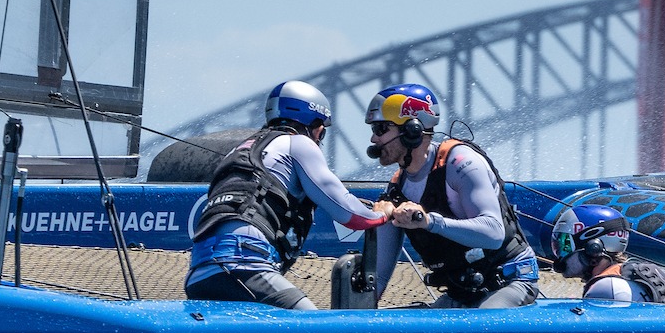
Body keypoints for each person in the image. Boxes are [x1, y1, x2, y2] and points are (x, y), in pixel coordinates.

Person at [186, 80, 394, 309]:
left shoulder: (242, 149)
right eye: (321, 132)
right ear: (316, 125)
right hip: (243, 266)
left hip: (199, 274)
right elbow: (352, 215)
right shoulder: (299, 144)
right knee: (312, 331)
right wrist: (382, 214)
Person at [364, 83, 542, 308]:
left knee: (475, 332)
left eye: (381, 129)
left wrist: (428, 222)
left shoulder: (461, 163)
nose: (373, 140)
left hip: (510, 283)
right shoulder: (397, 191)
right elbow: (378, 279)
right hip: (463, 294)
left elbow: (493, 232)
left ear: (412, 131)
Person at [552, 202, 665, 305]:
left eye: (566, 245)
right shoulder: (632, 275)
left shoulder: (607, 289)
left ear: (593, 248)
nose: (560, 256)